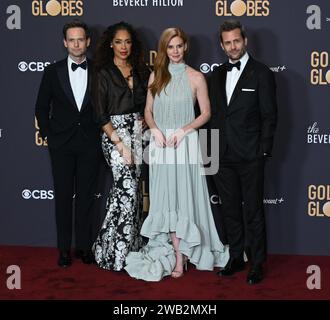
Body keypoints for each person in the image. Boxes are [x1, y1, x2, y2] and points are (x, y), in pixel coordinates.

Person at [125, 27, 229, 281]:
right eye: (170, 47)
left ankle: (183, 257)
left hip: (185, 145)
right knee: (166, 203)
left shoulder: (196, 77)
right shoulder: (155, 77)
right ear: (164, 49)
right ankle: (176, 255)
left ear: (185, 47)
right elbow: (148, 111)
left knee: (183, 202)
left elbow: (206, 113)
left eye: (179, 46)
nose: (175, 51)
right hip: (160, 146)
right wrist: (155, 130)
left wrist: (184, 130)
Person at [209, 20, 277, 284]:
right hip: (222, 155)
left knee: (253, 211)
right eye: (227, 42)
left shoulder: (261, 73)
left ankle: (257, 263)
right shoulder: (216, 75)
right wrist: (210, 154)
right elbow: (214, 116)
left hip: (251, 155)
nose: (233, 46)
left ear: (245, 41)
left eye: (236, 41)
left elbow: (269, 116)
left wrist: (263, 151)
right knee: (229, 211)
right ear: (222, 45)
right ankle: (236, 257)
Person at [35, 20, 101, 267]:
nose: (76, 43)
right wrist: (48, 133)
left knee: (85, 198)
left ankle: (84, 248)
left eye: (80, 39)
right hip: (61, 144)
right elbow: (41, 106)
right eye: (71, 39)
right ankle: (63, 250)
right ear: (65, 43)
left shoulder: (99, 70)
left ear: (88, 41)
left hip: (90, 144)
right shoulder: (52, 71)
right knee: (63, 197)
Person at [91, 22, 150, 271]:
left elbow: (149, 100)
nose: (123, 46)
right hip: (114, 135)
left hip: (138, 134)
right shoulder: (102, 72)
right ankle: (118, 254)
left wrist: (147, 118)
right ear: (111, 44)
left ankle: (120, 246)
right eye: (119, 42)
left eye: (127, 41)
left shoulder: (141, 70)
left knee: (131, 192)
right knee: (126, 189)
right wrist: (120, 144)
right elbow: (99, 114)